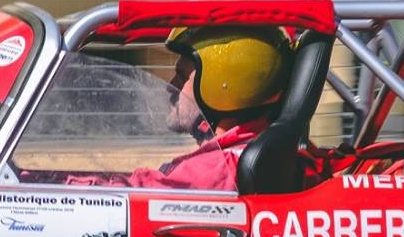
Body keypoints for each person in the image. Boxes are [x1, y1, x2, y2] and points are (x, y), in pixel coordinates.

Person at [124, 25, 293, 191]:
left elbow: (137, 191)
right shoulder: (260, 154)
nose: (171, 86)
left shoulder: (218, 169)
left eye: (182, 76)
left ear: (221, 88)